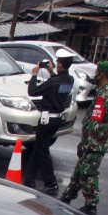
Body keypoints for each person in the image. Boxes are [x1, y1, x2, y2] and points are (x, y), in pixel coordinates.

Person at [61, 60, 108, 215]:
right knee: (80, 170)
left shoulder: (105, 94)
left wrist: (85, 143)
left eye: (98, 71)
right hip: (97, 140)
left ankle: (91, 206)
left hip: (95, 142)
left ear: (103, 74)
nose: (95, 74)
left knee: (87, 172)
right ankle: (66, 198)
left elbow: (95, 122)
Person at [24, 51, 75, 196]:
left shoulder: (53, 82)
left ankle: (50, 182)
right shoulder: (69, 80)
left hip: (47, 120)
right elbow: (56, 84)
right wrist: (51, 71)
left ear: (59, 63)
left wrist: (34, 74)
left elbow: (32, 91)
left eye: (57, 62)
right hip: (57, 119)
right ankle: (29, 178)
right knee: (40, 147)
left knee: (43, 151)